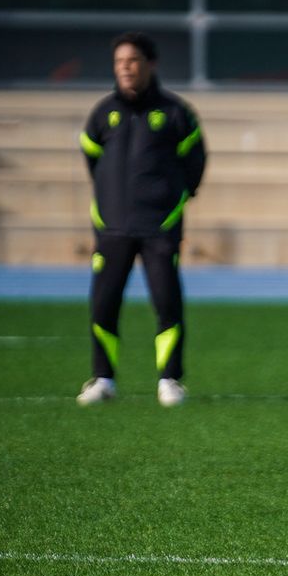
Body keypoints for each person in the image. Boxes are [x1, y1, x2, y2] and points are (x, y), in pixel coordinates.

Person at [76, 32, 207, 407]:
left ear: (151, 64)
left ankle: (169, 380)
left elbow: (195, 163)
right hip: (112, 227)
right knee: (103, 304)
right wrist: (110, 202)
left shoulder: (176, 113)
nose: (125, 69)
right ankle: (103, 379)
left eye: (132, 61)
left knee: (167, 302)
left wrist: (178, 199)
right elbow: (92, 158)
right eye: (119, 63)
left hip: (160, 228)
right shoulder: (103, 114)